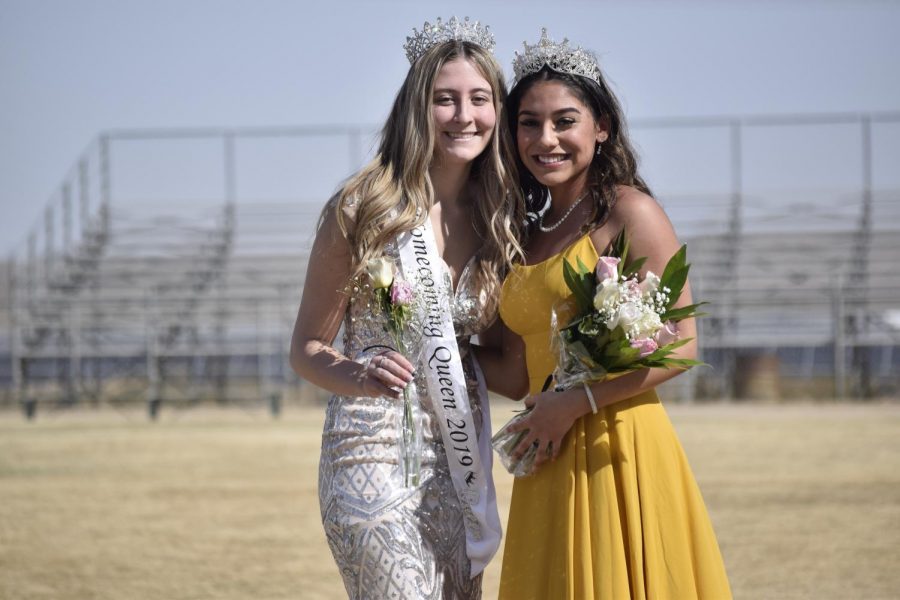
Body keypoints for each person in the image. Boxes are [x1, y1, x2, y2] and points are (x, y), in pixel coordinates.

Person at [476, 30, 732, 599]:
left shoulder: (628, 211)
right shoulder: (518, 234)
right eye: (528, 122)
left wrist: (576, 402)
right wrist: (435, 351)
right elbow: (518, 374)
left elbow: (684, 344)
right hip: (545, 452)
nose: (546, 139)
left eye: (565, 121)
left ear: (602, 126)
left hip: (617, 449)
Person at [289, 17, 523, 600]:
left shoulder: (503, 219)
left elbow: (507, 367)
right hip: (370, 451)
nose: (464, 115)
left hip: (458, 458)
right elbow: (307, 350)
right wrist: (357, 373)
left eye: (479, 98)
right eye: (445, 99)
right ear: (417, 107)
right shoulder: (365, 207)